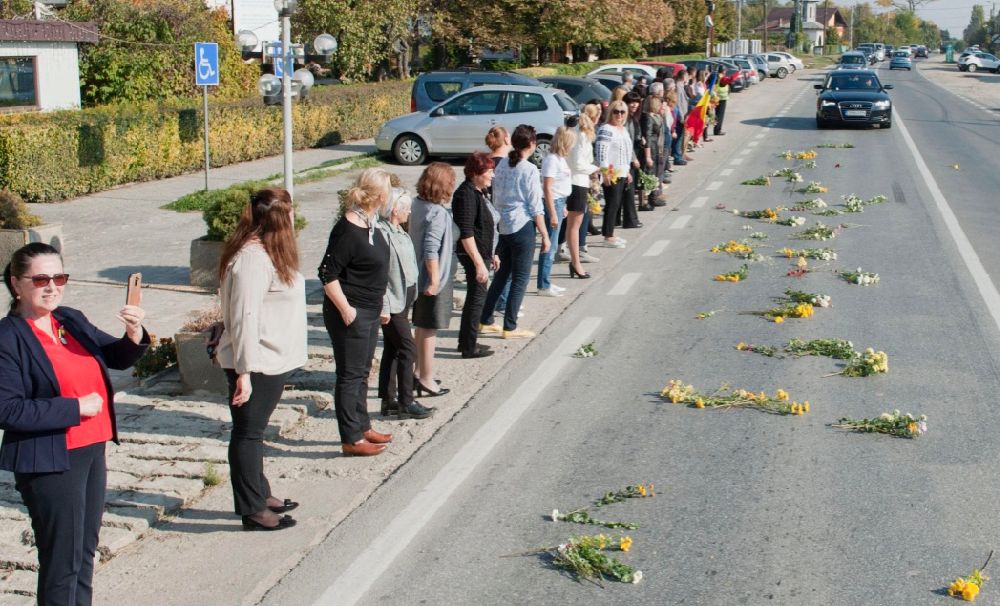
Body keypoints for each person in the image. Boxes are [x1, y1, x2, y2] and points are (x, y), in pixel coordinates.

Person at [0, 242, 148, 604]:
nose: (52, 286)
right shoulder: (7, 337)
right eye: (41, 279)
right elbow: (7, 410)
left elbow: (115, 357)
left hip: (91, 448)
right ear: (16, 284)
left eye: (59, 277)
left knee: (84, 553)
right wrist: (74, 407)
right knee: (62, 560)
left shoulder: (69, 318)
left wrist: (134, 334)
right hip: (50, 458)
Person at [216, 187, 306, 531]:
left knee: (255, 431)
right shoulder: (252, 259)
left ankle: (260, 492)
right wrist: (244, 371)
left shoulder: (268, 251)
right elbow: (244, 317)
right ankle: (252, 510)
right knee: (248, 433)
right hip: (256, 361)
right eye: (290, 214)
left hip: (269, 358)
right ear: (279, 220)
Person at [319, 167, 394, 457]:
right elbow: (327, 273)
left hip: (371, 308)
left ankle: (363, 426)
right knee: (350, 376)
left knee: (363, 371)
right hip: (351, 311)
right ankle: (350, 437)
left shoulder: (370, 223)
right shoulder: (347, 228)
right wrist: (347, 310)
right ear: (379, 195)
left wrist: (382, 304)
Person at [480, 124, 550, 339]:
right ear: (532, 144)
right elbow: (535, 206)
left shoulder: (501, 166)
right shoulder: (528, 169)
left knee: (501, 275)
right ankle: (510, 325)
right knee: (520, 278)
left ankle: (485, 319)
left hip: (504, 226)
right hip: (521, 226)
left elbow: (496, 196)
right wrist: (545, 235)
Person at [376, 188, 434, 419]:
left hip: (404, 299)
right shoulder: (382, 234)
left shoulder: (399, 230)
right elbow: (380, 274)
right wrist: (384, 307)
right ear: (394, 211)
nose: (410, 211)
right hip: (392, 302)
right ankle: (406, 401)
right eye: (406, 208)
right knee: (408, 348)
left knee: (393, 348)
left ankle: (388, 400)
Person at [409, 162, 456, 397]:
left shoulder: (416, 204)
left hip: (416, 275)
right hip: (430, 278)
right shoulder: (436, 213)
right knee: (429, 329)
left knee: (420, 325)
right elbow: (431, 248)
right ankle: (426, 378)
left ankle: (418, 373)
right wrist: (435, 280)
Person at [452, 152, 499, 359]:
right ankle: (468, 347)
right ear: (476, 173)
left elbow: (486, 228)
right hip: (474, 255)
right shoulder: (466, 195)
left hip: (483, 253)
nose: (492, 176)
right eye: (489, 171)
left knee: (476, 298)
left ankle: (466, 342)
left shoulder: (478, 191)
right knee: (476, 299)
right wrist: (480, 263)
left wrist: (493, 254)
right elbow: (467, 232)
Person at [537, 126, 575, 295]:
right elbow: (548, 188)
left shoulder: (559, 158)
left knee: (552, 245)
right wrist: (553, 212)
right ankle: (543, 285)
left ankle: (546, 282)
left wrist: (563, 206)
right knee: (550, 246)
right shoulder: (552, 159)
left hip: (560, 202)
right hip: (553, 203)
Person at [595, 100, 638, 248]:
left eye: (622, 112)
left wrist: (627, 172)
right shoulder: (606, 128)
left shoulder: (623, 129)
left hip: (621, 171)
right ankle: (608, 236)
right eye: (616, 111)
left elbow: (626, 152)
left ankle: (611, 233)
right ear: (610, 113)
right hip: (611, 172)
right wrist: (605, 172)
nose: (619, 115)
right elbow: (601, 152)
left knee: (617, 203)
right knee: (612, 203)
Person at [566, 112, 599, 279]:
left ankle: (575, 261)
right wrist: (595, 169)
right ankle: (575, 262)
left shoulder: (574, 135)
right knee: (574, 226)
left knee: (573, 226)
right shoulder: (582, 137)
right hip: (577, 183)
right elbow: (579, 164)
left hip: (576, 182)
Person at [641, 95, 667, 207]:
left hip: (656, 146)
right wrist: (648, 156)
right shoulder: (648, 118)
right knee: (650, 173)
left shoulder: (655, 116)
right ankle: (650, 199)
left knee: (655, 172)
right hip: (651, 147)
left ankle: (654, 196)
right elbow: (647, 135)